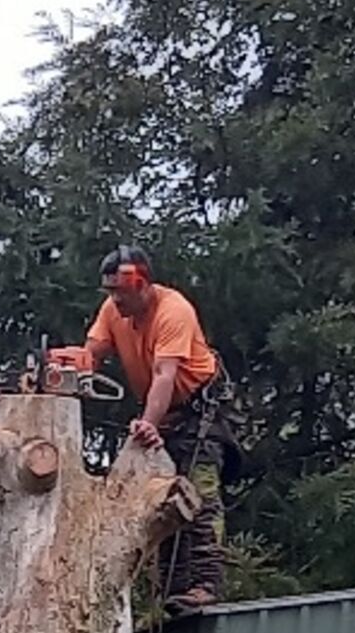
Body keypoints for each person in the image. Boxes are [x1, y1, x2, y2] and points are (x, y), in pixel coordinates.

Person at [68, 244, 242, 610]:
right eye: (111, 291)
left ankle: (205, 583)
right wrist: (66, 371)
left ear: (142, 284)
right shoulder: (113, 311)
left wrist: (149, 423)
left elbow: (165, 376)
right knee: (160, 499)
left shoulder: (173, 311)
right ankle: (171, 590)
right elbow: (92, 354)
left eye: (122, 292)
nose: (116, 300)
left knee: (200, 493)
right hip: (165, 413)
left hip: (201, 411)